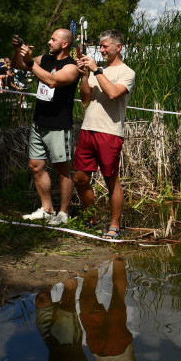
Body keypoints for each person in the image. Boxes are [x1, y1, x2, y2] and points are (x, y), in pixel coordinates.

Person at [14, 29, 81, 227]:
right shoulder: (44, 59)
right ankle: (46, 209)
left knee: (62, 170)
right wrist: (17, 51)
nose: (49, 42)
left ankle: (63, 213)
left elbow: (52, 81)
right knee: (35, 165)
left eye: (54, 39)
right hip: (39, 122)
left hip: (58, 125)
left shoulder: (72, 66)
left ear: (65, 44)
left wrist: (30, 62)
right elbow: (17, 65)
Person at [73, 29, 136, 239]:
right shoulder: (95, 71)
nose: (101, 50)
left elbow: (113, 93)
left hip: (109, 133)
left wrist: (96, 70)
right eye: (99, 46)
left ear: (118, 47)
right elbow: (85, 99)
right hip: (88, 129)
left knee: (111, 180)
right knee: (80, 179)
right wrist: (84, 76)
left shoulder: (127, 72)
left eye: (105, 46)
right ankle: (91, 220)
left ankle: (114, 225)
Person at [77, 257, 146, 361]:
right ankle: (118, 257)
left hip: (98, 352)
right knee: (117, 299)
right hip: (120, 350)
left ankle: (94, 260)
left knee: (86, 303)